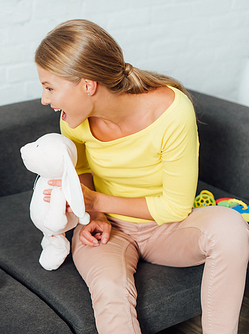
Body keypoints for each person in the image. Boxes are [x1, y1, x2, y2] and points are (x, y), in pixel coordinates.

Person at [35, 19, 249, 334]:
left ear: (88, 85)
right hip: (107, 231)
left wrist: (97, 200)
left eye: (50, 87)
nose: (44, 99)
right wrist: (94, 213)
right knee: (109, 289)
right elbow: (78, 169)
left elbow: (175, 208)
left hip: (168, 229)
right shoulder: (73, 119)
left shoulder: (171, 112)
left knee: (231, 228)